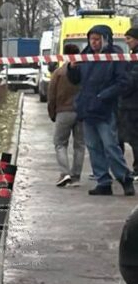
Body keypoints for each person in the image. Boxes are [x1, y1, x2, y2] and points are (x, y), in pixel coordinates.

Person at [66, 25, 134, 196]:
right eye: (91, 39)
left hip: (106, 109)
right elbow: (75, 80)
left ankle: (125, 178)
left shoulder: (116, 56)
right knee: (93, 147)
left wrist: (104, 95)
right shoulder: (85, 55)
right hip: (87, 108)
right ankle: (103, 181)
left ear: (105, 39)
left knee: (111, 146)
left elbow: (123, 82)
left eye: (97, 39)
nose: (94, 42)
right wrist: (72, 68)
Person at [46, 43, 85, 187]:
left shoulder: (59, 73)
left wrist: (52, 113)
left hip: (63, 112)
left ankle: (65, 173)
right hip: (80, 112)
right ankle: (76, 176)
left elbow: (51, 95)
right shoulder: (84, 72)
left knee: (60, 143)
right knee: (80, 145)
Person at [117, 27, 138, 174]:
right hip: (130, 104)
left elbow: (131, 80)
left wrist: (120, 89)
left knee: (134, 138)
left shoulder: (135, 58)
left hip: (132, 105)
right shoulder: (132, 56)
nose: (127, 41)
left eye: (129, 38)